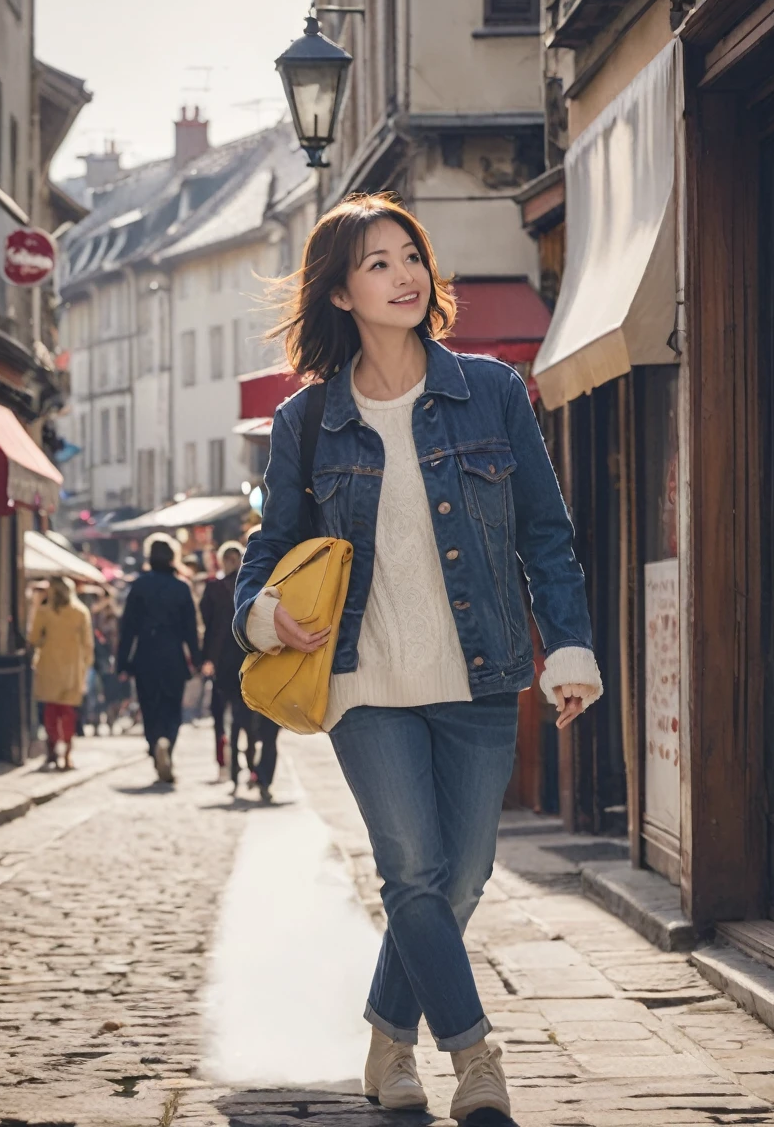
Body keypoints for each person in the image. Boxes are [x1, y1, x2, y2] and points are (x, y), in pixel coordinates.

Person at [233, 193, 602, 1122]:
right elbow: (264, 557)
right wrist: (265, 617)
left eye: (412, 257)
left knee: (462, 877)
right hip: (362, 680)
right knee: (410, 871)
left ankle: (388, 1037)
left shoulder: (492, 391)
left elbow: (546, 537)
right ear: (342, 293)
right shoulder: (308, 422)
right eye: (378, 263)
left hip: (478, 674)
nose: (404, 276)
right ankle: (476, 1058)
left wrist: (568, 649)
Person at [117, 534, 200, 783]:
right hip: (173, 656)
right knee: (172, 708)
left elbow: (127, 628)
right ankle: (167, 743)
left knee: (149, 707)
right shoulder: (182, 588)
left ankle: (155, 744)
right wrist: (197, 659)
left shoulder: (139, 586)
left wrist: (122, 663)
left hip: (145, 656)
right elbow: (190, 630)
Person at [201, 540, 278, 801]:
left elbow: (208, 625)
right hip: (260, 660)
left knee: (237, 723)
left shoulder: (215, 589)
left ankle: (239, 773)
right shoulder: (261, 584)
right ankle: (258, 775)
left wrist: (207, 658)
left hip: (230, 665)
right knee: (263, 727)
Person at [29, 576, 94, 770]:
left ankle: (51, 752)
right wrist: (86, 666)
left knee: (51, 711)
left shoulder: (44, 611)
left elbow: (33, 638)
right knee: (67, 713)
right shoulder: (80, 612)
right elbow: (88, 644)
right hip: (72, 668)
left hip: (48, 667)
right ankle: (66, 754)